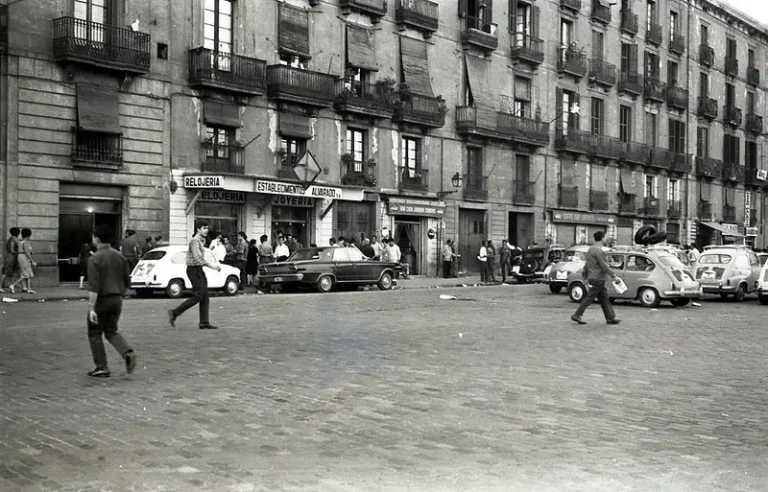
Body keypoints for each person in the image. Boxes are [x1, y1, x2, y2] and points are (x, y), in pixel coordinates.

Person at [85, 225, 137, 378]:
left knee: (94, 333)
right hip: (117, 299)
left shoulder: (95, 258)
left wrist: (91, 308)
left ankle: (101, 366)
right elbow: (127, 281)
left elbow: (94, 286)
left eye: (93, 237)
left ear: (97, 239)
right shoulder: (119, 256)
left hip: (101, 300)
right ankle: (127, 352)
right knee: (111, 331)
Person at [168, 221, 221, 330]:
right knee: (198, 295)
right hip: (193, 270)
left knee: (205, 296)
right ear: (198, 229)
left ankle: (204, 322)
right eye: (204, 228)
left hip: (198, 269)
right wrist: (213, 267)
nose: (206, 230)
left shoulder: (202, 240)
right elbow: (198, 258)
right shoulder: (195, 241)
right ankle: (174, 313)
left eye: (207, 228)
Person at [571, 231, 621, 326]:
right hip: (598, 278)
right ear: (602, 238)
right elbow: (604, 265)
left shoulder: (590, 250)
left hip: (593, 277)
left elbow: (587, 265)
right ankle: (577, 314)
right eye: (605, 236)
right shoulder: (598, 251)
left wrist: (585, 276)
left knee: (604, 298)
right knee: (589, 298)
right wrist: (614, 276)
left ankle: (610, 318)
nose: (606, 238)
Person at [9, 228, 36, 294]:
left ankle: (28, 288)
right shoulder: (25, 242)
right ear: (28, 236)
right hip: (24, 257)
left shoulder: (20, 242)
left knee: (26, 273)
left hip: (20, 256)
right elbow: (27, 252)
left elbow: (22, 250)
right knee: (26, 274)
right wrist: (32, 261)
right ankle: (13, 285)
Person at [0, 227, 20, 293]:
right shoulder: (12, 240)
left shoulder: (12, 239)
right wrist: (20, 252)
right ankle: (0, 286)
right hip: (11, 257)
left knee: (12, 272)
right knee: (6, 272)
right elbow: (12, 251)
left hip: (12, 257)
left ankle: (12, 285)